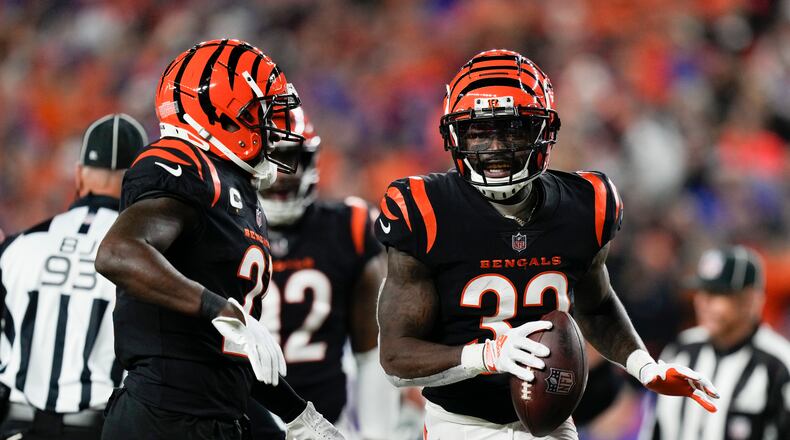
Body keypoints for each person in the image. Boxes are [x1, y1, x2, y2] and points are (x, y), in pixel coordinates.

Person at [374, 49, 720, 439]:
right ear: (455, 135)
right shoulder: (425, 210)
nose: (496, 148)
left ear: (544, 131)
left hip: (552, 422)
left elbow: (597, 304)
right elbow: (396, 358)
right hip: (461, 424)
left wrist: (644, 366)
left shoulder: (587, 203)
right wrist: (485, 356)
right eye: (479, 131)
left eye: (512, 129)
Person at [94, 39, 343, 440]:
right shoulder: (186, 163)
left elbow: (232, 344)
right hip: (163, 415)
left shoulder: (242, 194)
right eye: (260, 111)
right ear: (221, 115)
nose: (272, 124)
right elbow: (117, 253)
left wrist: (298, 415)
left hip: (218, 418)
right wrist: (221, 309)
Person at [247, 108, 399, 439]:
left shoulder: (350, 228)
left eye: (291, 158)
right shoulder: (222, 228)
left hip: (325, 424)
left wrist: (376, 435)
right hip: (241, 421)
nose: (282, 174)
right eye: (270, 159)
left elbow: (371, 349)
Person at [0, 113, 148, 440]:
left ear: (80, 176)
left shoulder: (19, 246)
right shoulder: (149, 260)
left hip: (15, 426)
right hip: (97, 429)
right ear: (139, 182)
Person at [640, 245, 790, 440]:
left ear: (750, 299)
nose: (703, 302)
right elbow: (653, 428)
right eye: (701, 291)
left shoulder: (778, 363)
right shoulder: (680, 350)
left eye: (718, 293)